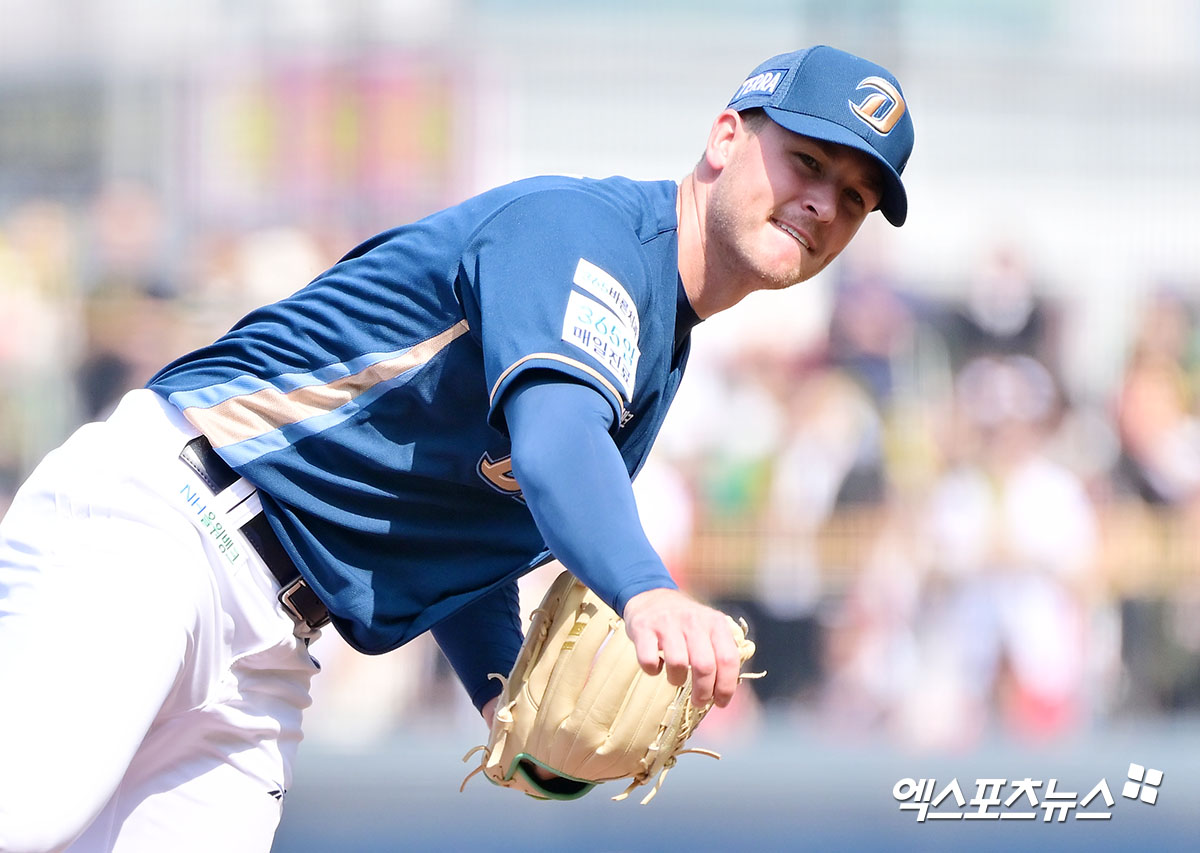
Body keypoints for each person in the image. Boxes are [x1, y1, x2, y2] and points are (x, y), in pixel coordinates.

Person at [0, 44, 914, 852]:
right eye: (807, 161)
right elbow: (556, 446)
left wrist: (497, 693)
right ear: (724, 137)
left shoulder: (656, 347)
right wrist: (647, 590)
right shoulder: (584, 240)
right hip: (172, 523)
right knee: (25, 811)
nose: (822, 204)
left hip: (270, 641)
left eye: (854, 198)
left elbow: (472, 527)